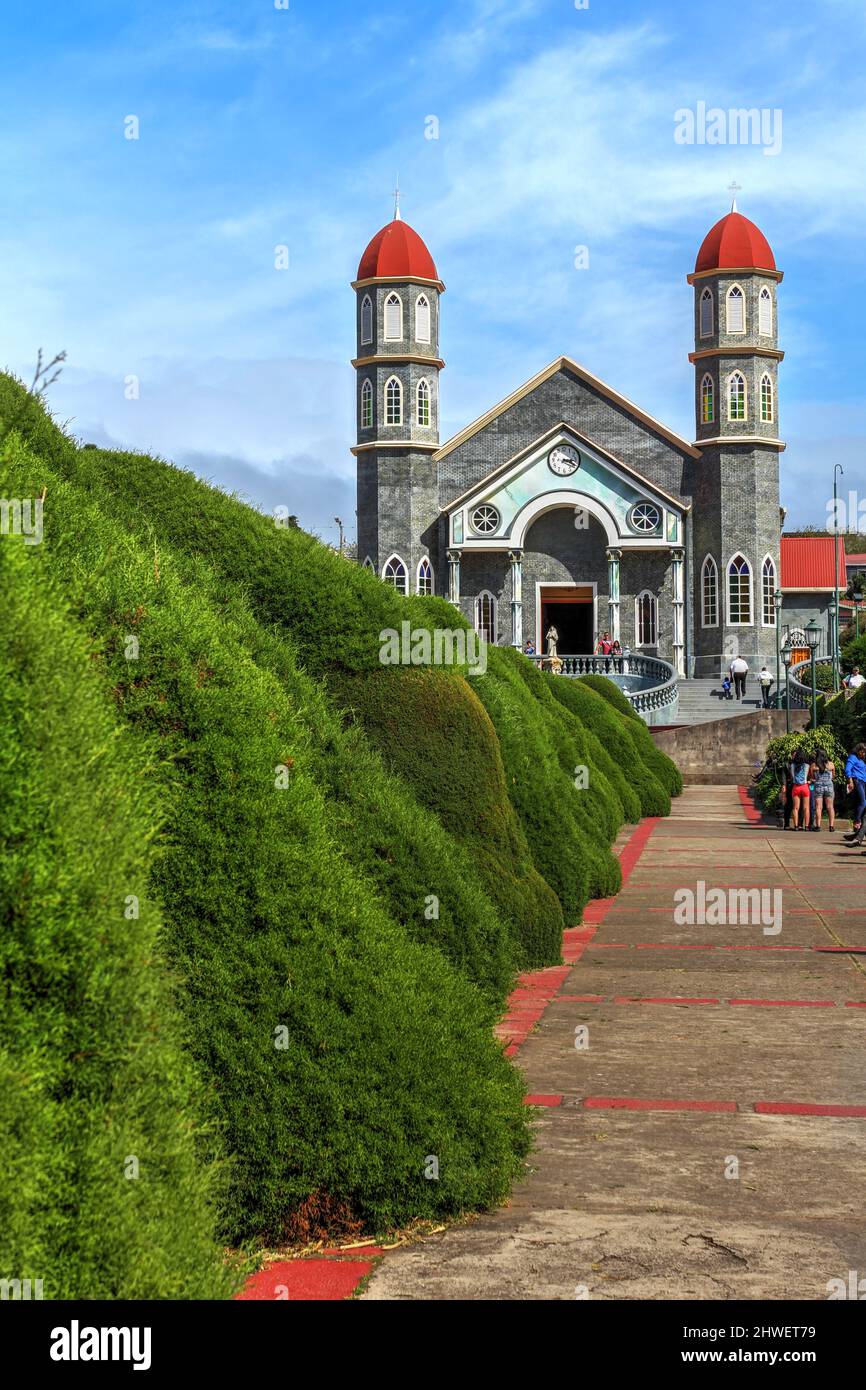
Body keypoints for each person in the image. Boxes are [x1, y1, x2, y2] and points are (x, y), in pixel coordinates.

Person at [843, 742, 866, 847]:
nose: (864, 753)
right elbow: (847, 769)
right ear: (858, 750)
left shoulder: (861, 760)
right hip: (857, 781)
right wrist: (850, 780)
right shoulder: (853, 757)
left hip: (863, 782)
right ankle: (857, 821)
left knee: (862, 805)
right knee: (863, 803)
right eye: (863, 751)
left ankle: (858, 833)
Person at [809, 747, 836, 831]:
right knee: (830, 807)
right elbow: (833, 776)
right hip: (829, 785)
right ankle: (831, 826)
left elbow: (812, 777)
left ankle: (818, 826)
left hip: (818, 786)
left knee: (818, 807)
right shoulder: (831, 764)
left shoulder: (813, 765)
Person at [789, 747, 811, 830]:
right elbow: (809, 775)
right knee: (806, 808)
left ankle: (796, 826)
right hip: (805, 787)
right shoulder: (807, 765)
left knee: (795, 808)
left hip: (796, 787)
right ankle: (807, 826)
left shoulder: (792, 765)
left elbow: (792, 776)